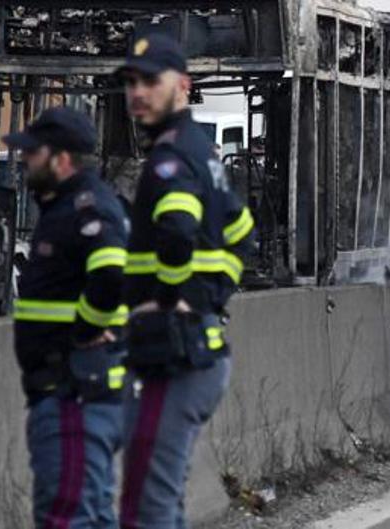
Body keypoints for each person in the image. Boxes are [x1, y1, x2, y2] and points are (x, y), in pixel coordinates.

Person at [116, 33, 255, 527]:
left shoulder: (170, 158)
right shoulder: (201, 151)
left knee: (148, 504)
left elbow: (177, 232)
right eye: (132, 81)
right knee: (161, 498)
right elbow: (243, 233)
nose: (138, 92)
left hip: (173, 354)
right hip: (194, 346)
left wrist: (170, 299)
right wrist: (213, 295)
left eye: (151, 81)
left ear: (182, 85)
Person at [5, 107, 129, 528]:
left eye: (33, 152)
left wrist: (86, 328)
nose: (25, 159)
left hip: (73, 392)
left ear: (60, 159)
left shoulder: (85, 208)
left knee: (68, 515)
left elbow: (112, 273)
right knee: (89, 514)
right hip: (69, 390)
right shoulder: (64, 208)